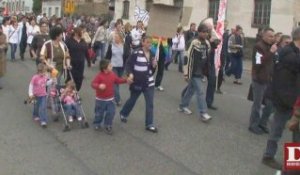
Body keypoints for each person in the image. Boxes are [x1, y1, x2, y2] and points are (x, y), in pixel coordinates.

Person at [262, 27, 300, 170]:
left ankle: (294, 164)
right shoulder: (290, 56)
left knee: (296, 133)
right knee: (277, 130)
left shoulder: (293, 52)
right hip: (286, 101)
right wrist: (291, 103)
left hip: (292, 100)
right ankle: (268, 156)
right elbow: (282, 83)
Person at [119, 36, 158, 133]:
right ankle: (123, 113)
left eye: (151, 43)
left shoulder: (152, 54)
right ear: (143, 42)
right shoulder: (136, 52)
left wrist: (154, 66)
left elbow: (151, 70)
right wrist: (130, 74)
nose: (150, 44)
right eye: (148, 42)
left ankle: (149, 124)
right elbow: (128, 64)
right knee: (132, 100)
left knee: (150, 104)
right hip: (137, 81)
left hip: (149, 82)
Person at [178, 23, 212, 122]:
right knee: (200, 92)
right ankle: (203, 113)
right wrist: (186, 73)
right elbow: (186, 58)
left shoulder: (207, 43)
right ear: (199, 32)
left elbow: (207, 56)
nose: (205, 34)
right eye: (203, 32)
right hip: (193, 71)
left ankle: (182, 106)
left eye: (207, 32)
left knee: (191, 90)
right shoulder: (193, 42)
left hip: (200, 71)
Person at [248, 27, 277, 135]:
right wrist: (270, 52)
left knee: (270, 104)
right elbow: (258, 63)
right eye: (270, 36)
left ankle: (262, 123)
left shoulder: (271, 46)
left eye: (273, 36)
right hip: (259, 79)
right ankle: (253, 125)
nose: (272, 38)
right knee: (257, 104)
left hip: (268, 79)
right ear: (263, 36)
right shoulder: (258, 46)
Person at [91, 59, 129, 135]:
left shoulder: (112, 74)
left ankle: (108, 125)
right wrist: (99, 86)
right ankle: (97, 123)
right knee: (99, 113)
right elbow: (93, 84)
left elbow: (118, 80)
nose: (112, 66)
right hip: (100, 100)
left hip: (110, 99)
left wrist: (126, 80)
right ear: (105, 68)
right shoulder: (99, 76)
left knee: (111, 112)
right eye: (110, 66)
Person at [28, 63, 51, 128]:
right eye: (42, 72)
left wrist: (51, 81)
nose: (43, 74)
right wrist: (31, 94)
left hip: (43, 95)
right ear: (38, 71)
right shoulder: (35, 77)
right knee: (36, 107)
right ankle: (35, 115)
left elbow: (46, 83)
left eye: (44, 72)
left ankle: (43, 121)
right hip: (36, 96)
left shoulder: (45, 77)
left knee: (43, 108)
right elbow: (31, 85)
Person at [110, 32, 124, 106]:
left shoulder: (124, 46)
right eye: (114, 37)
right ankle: (118, 99)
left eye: (117, 37)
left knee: (118, 82)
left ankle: (115, 96)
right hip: (113, 66)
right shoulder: (111, 45)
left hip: (121, 66)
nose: (115, 38)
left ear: (120, 38)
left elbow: (127, 56)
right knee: (115, 82)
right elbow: (108, 56)